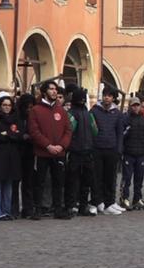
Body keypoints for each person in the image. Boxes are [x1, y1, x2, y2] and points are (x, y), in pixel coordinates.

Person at [28, 81, 72, 220]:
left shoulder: (61, 111)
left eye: (55, 89)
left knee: (58, 182)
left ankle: (58, 209)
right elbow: (34, 131)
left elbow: (68, 131)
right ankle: (38, 209)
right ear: (44, 92)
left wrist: (62, 146)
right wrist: (48, 145)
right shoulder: (36, 110)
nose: (54, 92)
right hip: (42, 153)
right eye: (51, 89)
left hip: (59, 153)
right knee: (39, 182)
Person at [91, 87, 125, 215]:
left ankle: (109, 202)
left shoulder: (117, 113)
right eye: (105, 95)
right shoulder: (94, 111)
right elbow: (91, 129)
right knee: (97, 177)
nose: (107, 97)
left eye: (110, 96)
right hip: (97, 149)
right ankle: (97, 201)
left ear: (113, 98)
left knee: (110, 178)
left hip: (112, 149)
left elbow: (120, 133)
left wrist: (119, 149)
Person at [0, 96, 21, 221]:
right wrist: (10, 135)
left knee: (9, 184)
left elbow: (19, 135)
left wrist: (6, 134)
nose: (7, 107)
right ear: (0, 106)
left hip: (12, 156)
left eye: (9, 105)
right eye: (4, 105)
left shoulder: (16, 118)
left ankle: (6, 211)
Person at [65, 88, 97, 216]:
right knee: (80, 181)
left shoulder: (72, 114)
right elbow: (95, 131)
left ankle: (74, 206)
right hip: (82, 151)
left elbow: (70, 129)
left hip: (79, 151)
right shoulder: (88, 114)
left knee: (77, 181)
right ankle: (78, 206)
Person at [120, 97, 144, 210]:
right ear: (130, 106)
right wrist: (126, 132)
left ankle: (137, 198)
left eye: (137, 105)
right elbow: (121, 135)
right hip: (129, 153)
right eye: (133, 105)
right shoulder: (125, 119)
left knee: (139, 178)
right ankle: (124, 198)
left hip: (141, 153)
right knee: (127, 178)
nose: (136, 107)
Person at [12, 93, 36, 219]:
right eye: (27, 107)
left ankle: (28, 208)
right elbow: (13, 131)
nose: (29, 109)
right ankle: (14, 208)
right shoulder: (16, 116)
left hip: (30, 152)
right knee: (15, 181)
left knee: (28, 182)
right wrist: (22, 135)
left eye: (31, 107)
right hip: (17, 151)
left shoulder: (34, 116)